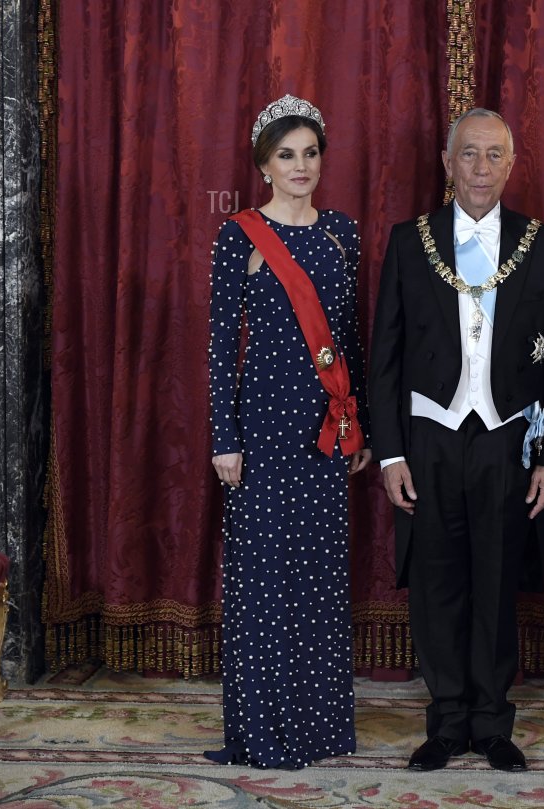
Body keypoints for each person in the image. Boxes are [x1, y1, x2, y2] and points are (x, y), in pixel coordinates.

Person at [368, 108, 544, 773]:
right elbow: (385, 357)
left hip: (507, 438)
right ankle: (447, 720)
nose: (481, 169)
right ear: (446, 160)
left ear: (512, 165)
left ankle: (492, 723)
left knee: (496, 580)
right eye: (469, 155)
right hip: (429, 435)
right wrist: (392, 452)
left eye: (494, 156)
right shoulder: (410, 240)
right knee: (437, 585)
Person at [206, 93, 372, 769]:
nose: (300, 167)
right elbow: (220, 344)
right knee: (265, 582)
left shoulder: (343, 232)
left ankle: (319, 729)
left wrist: (360, 425)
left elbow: (351, 340)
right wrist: (225, 436)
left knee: (318, 581)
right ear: (264, 165)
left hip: (326, 429)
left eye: (310, 154)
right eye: (286, 156)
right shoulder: (239, 236)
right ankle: (263, 730)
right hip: (264, 430)